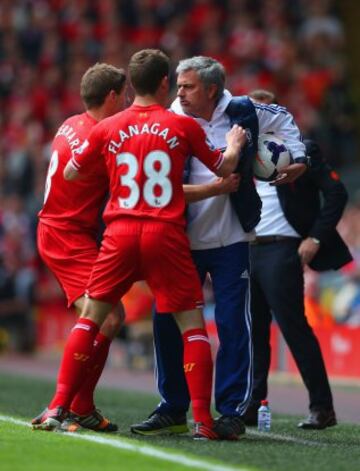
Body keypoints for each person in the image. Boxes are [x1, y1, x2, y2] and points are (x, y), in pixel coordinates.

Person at [35, 49, 248, 440]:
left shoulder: (104, 127)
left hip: (117, 235)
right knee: (191, 326)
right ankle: (202, 420)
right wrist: (234, 144)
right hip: (164, 235)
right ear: (165, 83)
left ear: (131, 86)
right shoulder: (181, 125)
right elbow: (224, 166)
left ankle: (58, 405)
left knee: (93, 318)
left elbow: (69, 169)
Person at [131, 56, 307, 439]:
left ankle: (230, 411)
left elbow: (285, 119)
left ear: (212, 90)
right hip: (180, 241)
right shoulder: (168, 119)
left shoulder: (244, 109)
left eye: (188, 86)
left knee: (233, 325)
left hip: (232, 239)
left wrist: (301, 158)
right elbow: (163, 189)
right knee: (166, 322)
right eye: (177, 85)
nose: (179, 93)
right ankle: (172, 406)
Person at [243, 88, 353, 429]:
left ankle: (322, 407)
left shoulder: (301, 150)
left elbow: (336, 192)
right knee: (253, 332)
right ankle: (252, 404)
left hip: (282, 248)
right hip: (247, 249)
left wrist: (315, 238)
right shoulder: (240, 152)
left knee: (293, 329)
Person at [32, 63, 127, 432]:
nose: (129, 101)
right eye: (125, 95)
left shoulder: (71, 122)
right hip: (66, 235)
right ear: (112, 97)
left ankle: (79, 404)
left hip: (61, 229)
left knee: (107, 315)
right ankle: (67, 405)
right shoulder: (101, 136)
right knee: (109, 315)